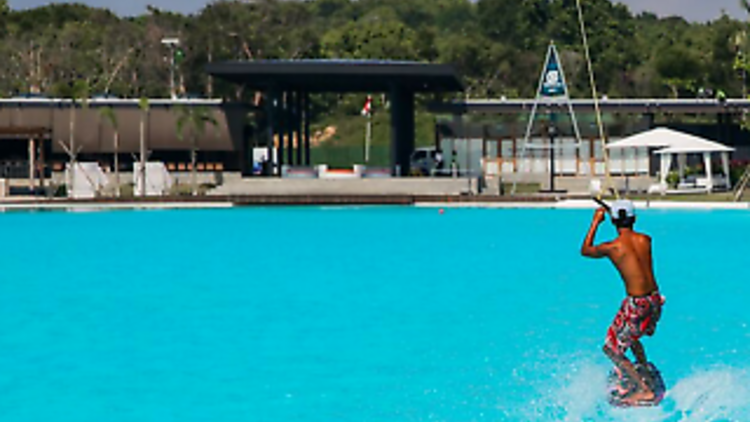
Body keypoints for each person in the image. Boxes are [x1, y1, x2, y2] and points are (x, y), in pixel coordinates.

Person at [580, 200, 664, 405]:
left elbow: (586, 250)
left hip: (637, 304)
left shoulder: (613, 247)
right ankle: (643, 369)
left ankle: (644, 390)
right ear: (634, 218)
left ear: (613, 220)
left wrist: (596, 222)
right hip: (655, 300)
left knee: (611, 349)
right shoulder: (646, 239)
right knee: (631, 335)